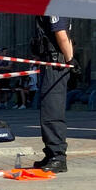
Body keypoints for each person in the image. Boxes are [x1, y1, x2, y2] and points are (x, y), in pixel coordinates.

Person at [32, 15, 74, 173]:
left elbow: (61, 34)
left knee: (52, 111)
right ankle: (50, 153)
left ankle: (58, 157)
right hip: (51, 63)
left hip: (55, 64)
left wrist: (70, 60)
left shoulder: (55, 7)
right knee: (47, 110)